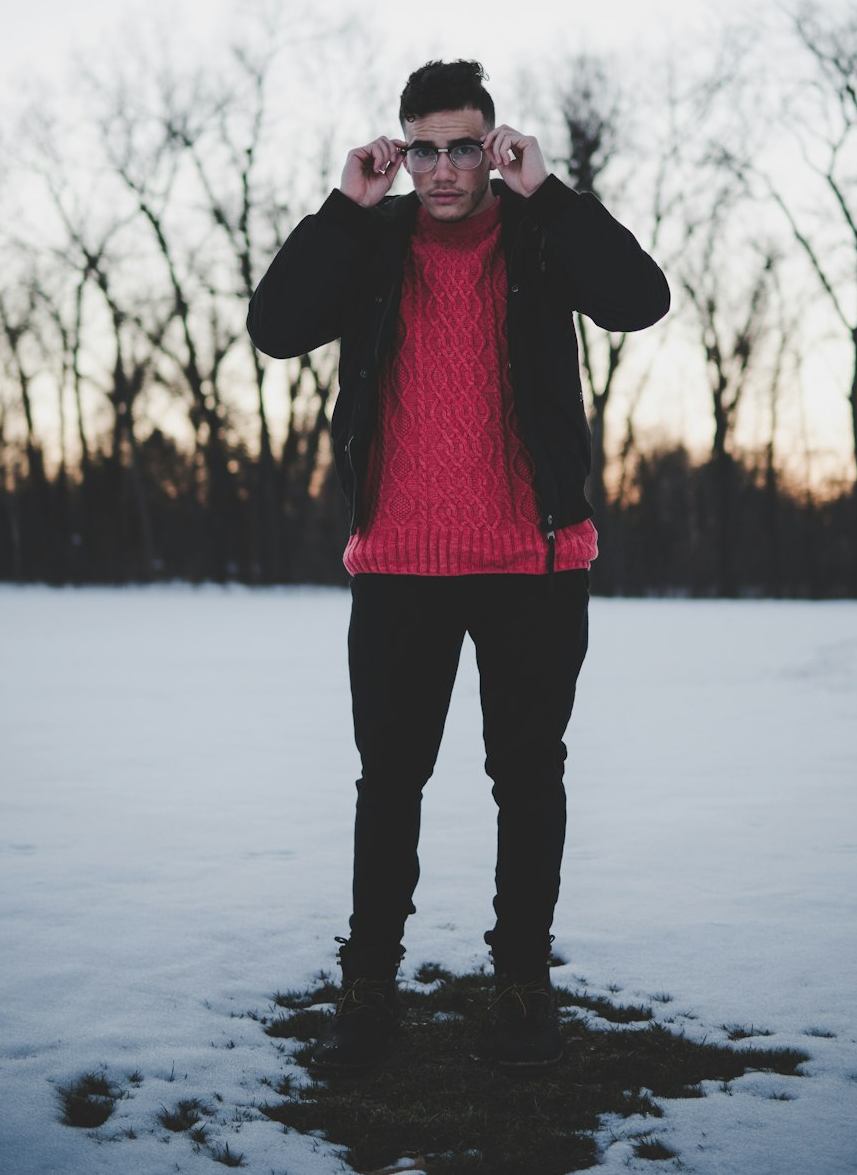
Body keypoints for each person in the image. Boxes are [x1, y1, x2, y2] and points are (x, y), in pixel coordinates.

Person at [247, 59, 669, 1071]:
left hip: (533, 557)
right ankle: (372, 974)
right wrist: (343, 209)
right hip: (398, 563)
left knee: (527, 777)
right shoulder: (372, 242)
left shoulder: (536, 237)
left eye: (463, 147)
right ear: (400, 152)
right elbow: (274, 329)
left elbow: (639, 300)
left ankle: (521, 975)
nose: (442, 169)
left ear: (494, 147)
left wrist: (550, 193)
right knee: (388, 780)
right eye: (423, 148)